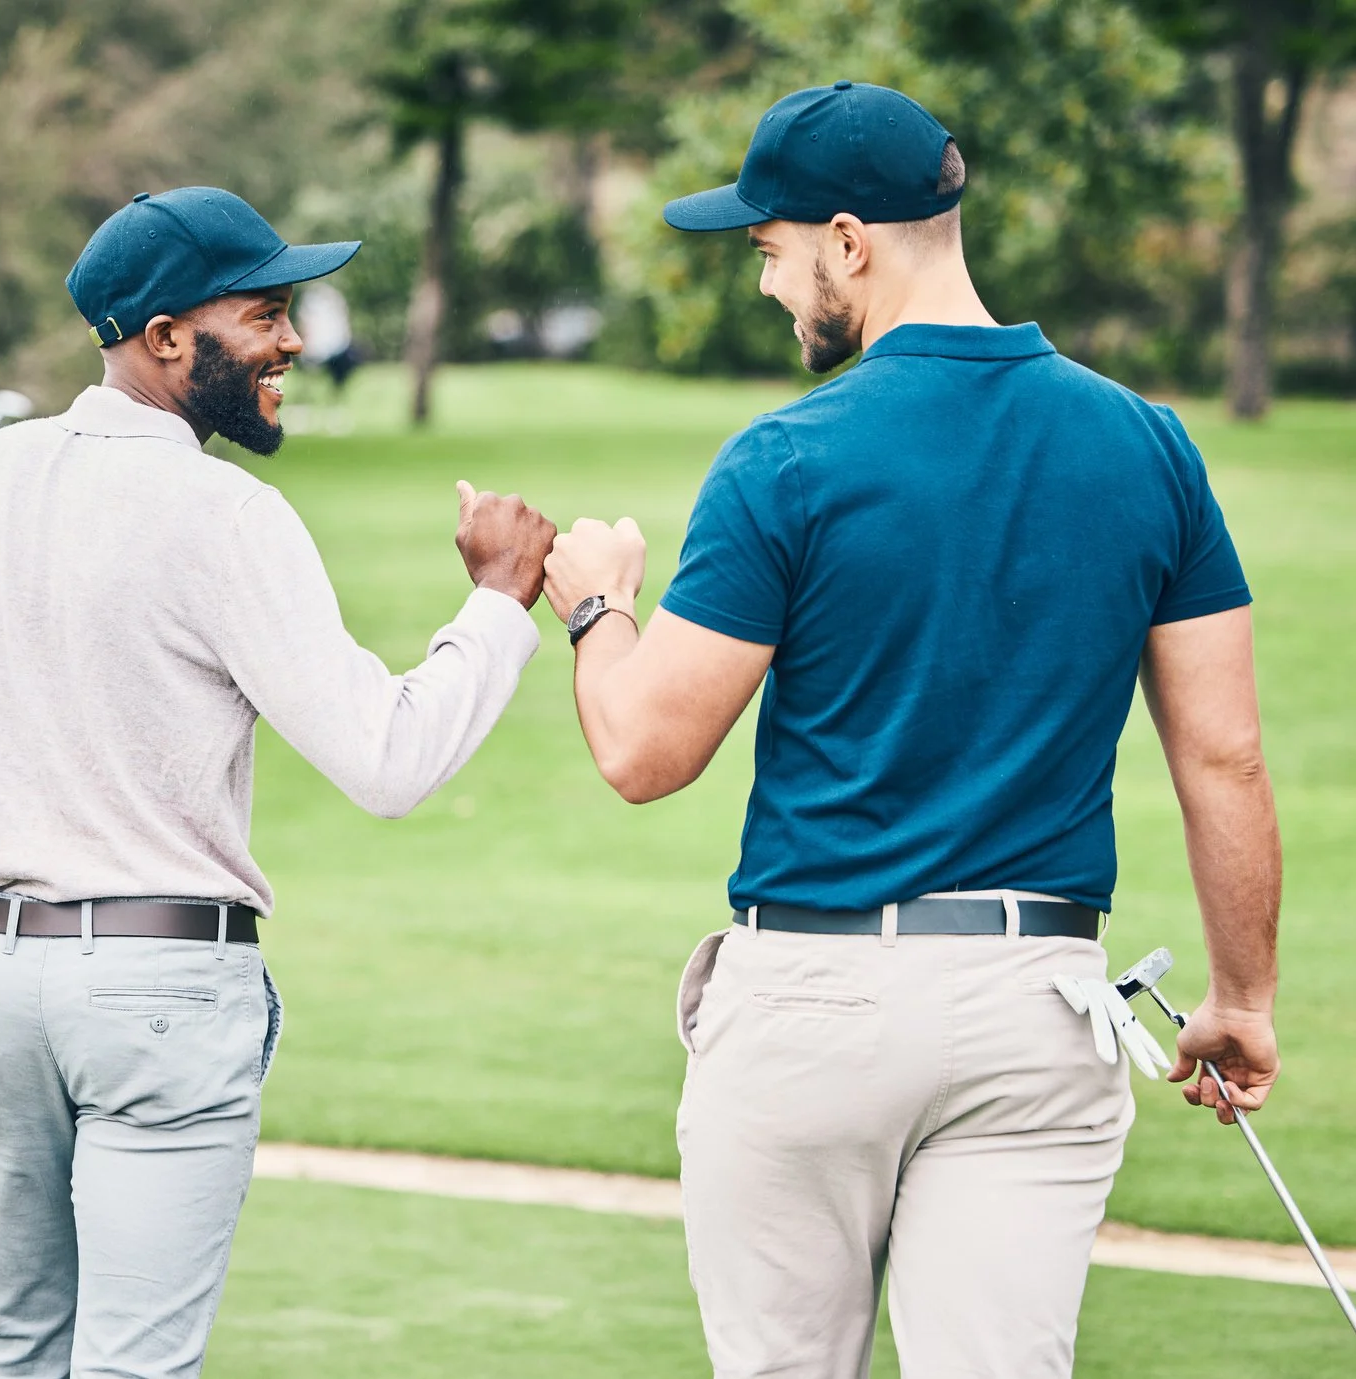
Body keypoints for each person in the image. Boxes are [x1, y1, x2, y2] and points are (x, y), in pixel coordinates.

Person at [541, 83, 1280, 1378]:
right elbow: (1219, 753)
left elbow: (641, 752)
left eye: (767, 253)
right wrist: (1238, 997)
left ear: (846, 238)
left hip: (814, 1000)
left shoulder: (786, 458)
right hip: (1032, 1004)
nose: (768, 288)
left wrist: (597, 601)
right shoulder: (1148, 445)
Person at [0, 185, 556, 1379]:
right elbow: (388, 760)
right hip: (161, 992)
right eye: (266, 314)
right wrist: (497, 601)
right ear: (166, 338)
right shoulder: (228, 514)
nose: (293, 343)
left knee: (12, 1352)